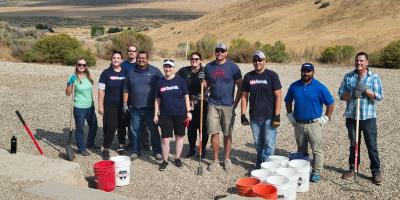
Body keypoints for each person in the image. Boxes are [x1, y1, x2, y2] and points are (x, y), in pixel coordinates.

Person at [338, 52, 383, 185]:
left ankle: (376, 172)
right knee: (354, 144)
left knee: (372, 146)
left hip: (368, 118)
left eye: (362, 61)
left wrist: (366, 91)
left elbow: (379, 96)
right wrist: (351, 93)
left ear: (367, 62)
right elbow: (341, 94)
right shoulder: (349, 77)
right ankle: (353, 168)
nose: (359, 63)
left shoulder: (374, 77)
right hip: (352, 117)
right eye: (357, 61)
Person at [284, 63, 334, 183]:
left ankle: (316, 171)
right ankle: (303, 170)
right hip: (299, 123)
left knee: (317, 149)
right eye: (304, 71)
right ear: (300, 71)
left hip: (315, 124)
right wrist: (290, 114)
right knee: (301, 149)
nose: (306, 73)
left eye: (308, 71)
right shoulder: (294, 86)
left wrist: (326, 117)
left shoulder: (319, 87)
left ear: (313, 72)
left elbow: (330, 102)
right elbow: (288, 100)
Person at [204, 43, 243, 172]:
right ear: (215, 52)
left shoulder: (233, 67)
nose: (219, 53)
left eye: (222, 51)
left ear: (226, 53)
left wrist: (235, 103)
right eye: (217, 50)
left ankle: (226, 159)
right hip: (213, 105)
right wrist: (201, 81)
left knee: (227, 133)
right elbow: (205, 85)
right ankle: (215, 160)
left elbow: (240, 86)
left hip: (228, 106)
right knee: (214, 133)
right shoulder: (209, 67)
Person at [241, 51, 282, 169]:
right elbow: (244, 96)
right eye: (255, 60)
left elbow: (278, 95)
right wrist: (242, 114)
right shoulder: (248, 76)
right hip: (254, 117)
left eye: (260, 60)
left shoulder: (272, 75)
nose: (258, 62)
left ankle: (268, 168)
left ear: (265, 61)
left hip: (269, 116)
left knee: (269, 144)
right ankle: (259, 165)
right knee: (258, 144)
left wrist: (277, 115)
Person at [122, 50, 162, 160]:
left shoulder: (155, 71)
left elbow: (163, 85)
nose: (141, 60)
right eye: (139, 58)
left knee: (153, 131)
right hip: (135, 108)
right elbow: (125, 89)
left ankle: (157, 151)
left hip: (151, 109)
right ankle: (136, 151)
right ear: (137, 58)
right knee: (135, 130)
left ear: (147, 59)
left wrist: (160, 105)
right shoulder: (130, 72)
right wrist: (125, 103)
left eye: (144, 58)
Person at [154, 59, 192, 171]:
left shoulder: (180, 81)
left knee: (179, 137)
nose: (167, 69)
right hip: (165, 114)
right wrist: (155, 114)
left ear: (173, 68)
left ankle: (177, 158)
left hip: (180, 113)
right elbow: (157, 99)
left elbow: (186, 96)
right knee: (165, 139)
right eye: (166, 66)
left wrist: (189, 111)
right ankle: (165, 161)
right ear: (163, 68)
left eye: (170, 67)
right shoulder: (160, 82)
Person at [177, 52, 209, 158]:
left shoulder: (204, 71)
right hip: (188, 103)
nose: (194, 60)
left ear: (200, 60)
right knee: (191, 127)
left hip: (202, 102)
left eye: (196, 59)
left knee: (203, 128)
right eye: (192, 59)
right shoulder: (184, 71)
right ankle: (191, 149)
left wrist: (202, 79)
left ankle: (202, 149)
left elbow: (206, 86)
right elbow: (175, 80)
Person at [120, 45, 151, 153]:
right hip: (127, 97)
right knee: (130, 123)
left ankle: (145, 142)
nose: (132, 53)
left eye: (134, 51)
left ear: (137, 53)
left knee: (144, 123)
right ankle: (132, 142)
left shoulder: (141, 64)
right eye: (130, 51)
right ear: (127, 52)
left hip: (141, 99)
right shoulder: (123, 65)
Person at [65, 58, 98, 156]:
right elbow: (68, 93)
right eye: (80, 65)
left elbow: (91, 86)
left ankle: (90, 143)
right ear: (76, 65)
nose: (82, 67)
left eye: (84, 65)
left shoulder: (88, 76)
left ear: (86, 66)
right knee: (80, 128)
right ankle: (81, 148)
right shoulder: (73, 77)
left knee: (94, 126)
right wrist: (69, 84)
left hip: (90, 106)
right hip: (79, 107)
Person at [98, 51, 127, 160]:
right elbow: (101, 91)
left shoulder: (125, 72)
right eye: (114, 58)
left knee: (122, 126)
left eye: (118, 58)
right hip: (110, 104)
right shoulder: (106, 73)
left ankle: (121, 146)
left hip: (122, 104)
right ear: (111, 59)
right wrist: (100, 106)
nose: (116, 60)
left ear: (121, 60)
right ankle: (105, 148)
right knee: (111, 126)